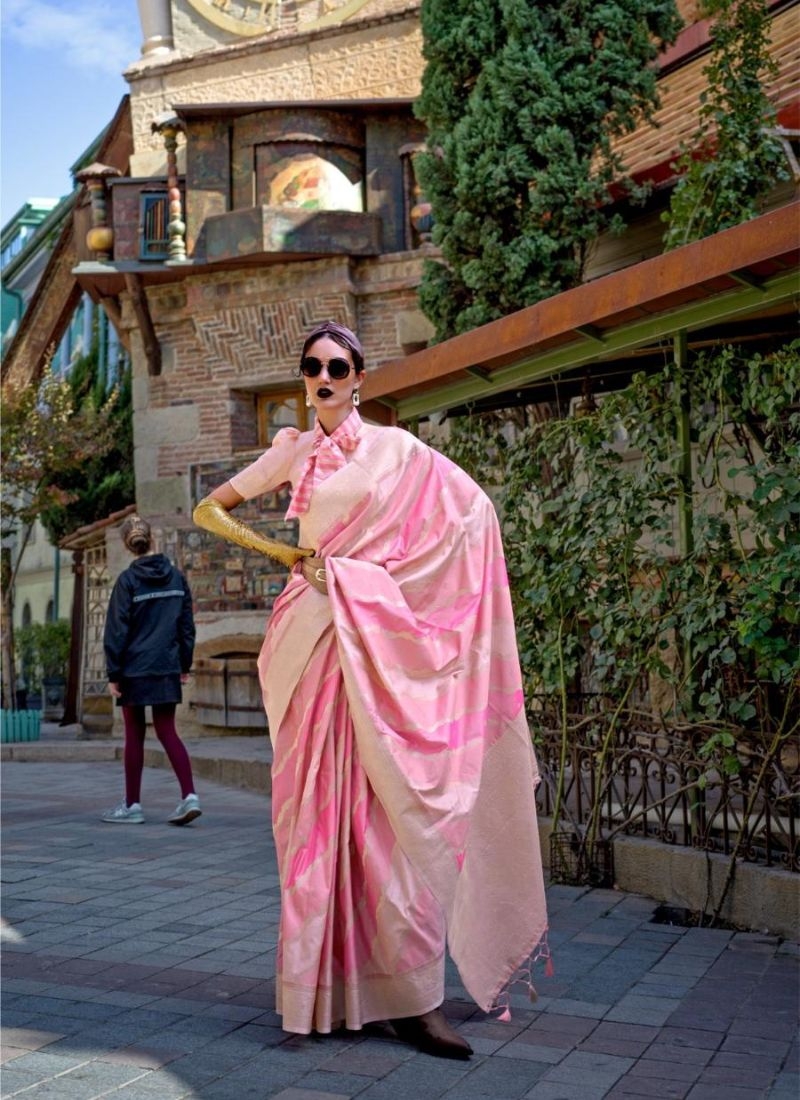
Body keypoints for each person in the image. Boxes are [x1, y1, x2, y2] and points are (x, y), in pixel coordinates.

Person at [193, 320, 548, 1058]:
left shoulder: (397, 450)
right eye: (313, 367)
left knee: (390, 819)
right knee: (317, 820)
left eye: (339, 367)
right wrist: (289, 553)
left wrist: (402, 588)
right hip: (313, 642)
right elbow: (208, 510)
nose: (324, 377)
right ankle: (326, 994)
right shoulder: (290, 453)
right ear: (305, 378)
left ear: (360, 378)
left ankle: (415, 1001)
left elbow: (472, 511)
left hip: (379, 645)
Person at [101, 514, 200, 827]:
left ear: (128, 544)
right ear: (152, 539)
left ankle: (132, 806)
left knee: (134, 734)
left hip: (133, 669)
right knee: (168, 730)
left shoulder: (127, 581)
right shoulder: (177, 578)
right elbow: (186, 627)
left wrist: (113, 674)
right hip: (166, 665)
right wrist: (183, 664)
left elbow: (116, 630)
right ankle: (190, 796)